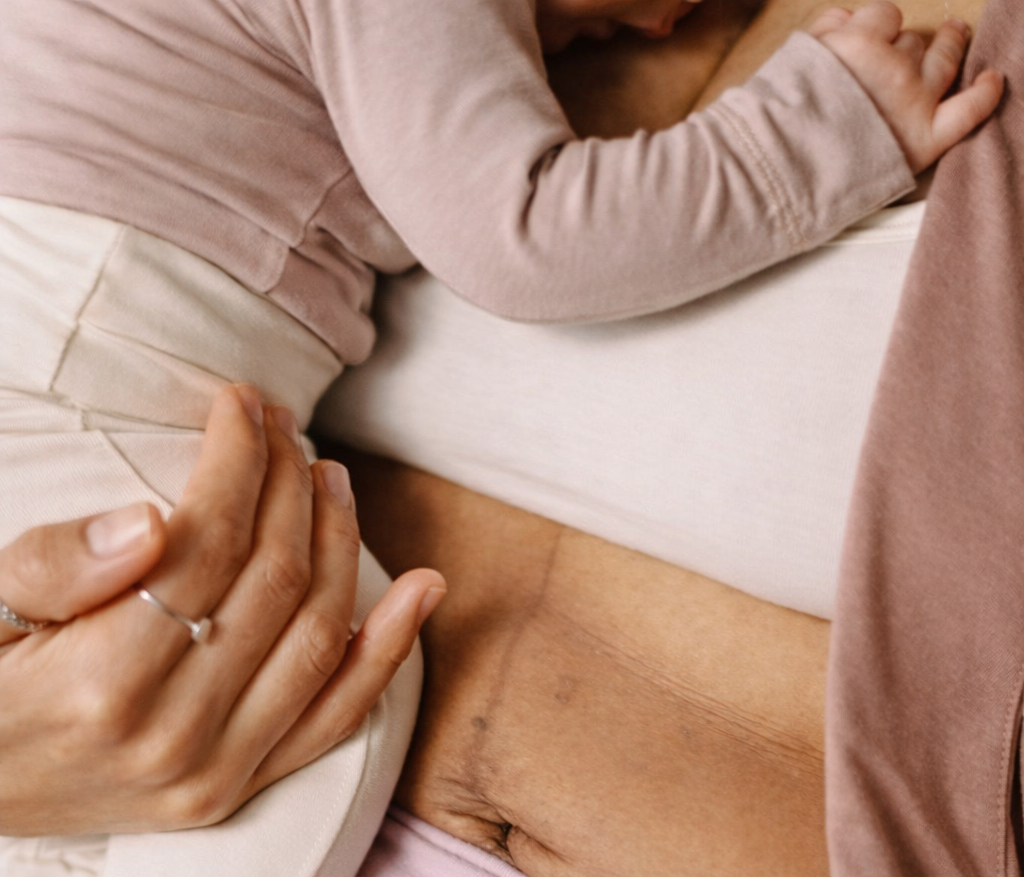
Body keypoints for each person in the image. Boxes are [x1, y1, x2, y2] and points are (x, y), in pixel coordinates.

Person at [0, 0, 1004, 872]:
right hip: (72, 369)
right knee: (322, 692)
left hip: (78, 366)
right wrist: (817, 131)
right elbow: (526, 241)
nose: (666, 20)